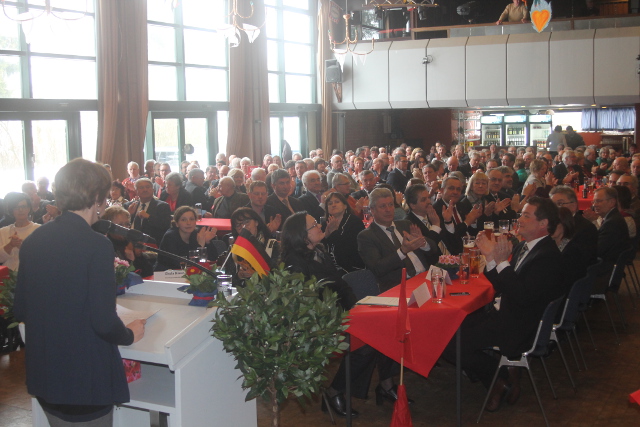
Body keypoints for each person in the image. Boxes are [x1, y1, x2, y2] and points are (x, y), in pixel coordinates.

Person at [14, 158, 146, 426]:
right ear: (97, 197)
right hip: (84, 376)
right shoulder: (96, 245)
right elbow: (103, 321)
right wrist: (130, 334)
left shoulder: (34, 239)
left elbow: (21, 309)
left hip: (46, 373)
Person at [446, 197, 564, 412]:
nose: (519, 219)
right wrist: (491, 258)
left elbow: (522, 296)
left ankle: (497, 380)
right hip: (508, 313)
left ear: (543, 223)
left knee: (450, 343)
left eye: (526, 215)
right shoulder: (526, 247)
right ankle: (504, 374)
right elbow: (502, 285)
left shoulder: (547, 256)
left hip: (519, 325)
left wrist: (500, 262)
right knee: (451, 327)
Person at [358, 188, 437, 292]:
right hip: (400, 286)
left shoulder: (405, 224)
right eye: (383, 206)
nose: (388, 209)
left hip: (426, 277)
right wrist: (402, 251)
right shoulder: (367, 236)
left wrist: (422, 242)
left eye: (390, 204)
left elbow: (434, 250)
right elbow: (378, 269)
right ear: (372, 210)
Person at [154, 206, 219, 271]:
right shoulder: (170, 236)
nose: (188, 223)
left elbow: (214, 259)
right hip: (166, 273)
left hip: (193, 273)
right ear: (177, 223)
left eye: (192, 219)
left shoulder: (198, 233)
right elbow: (179, 264)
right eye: (183, 220)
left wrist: (207, 242)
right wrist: (200, 245)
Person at [228, 208, 279, 287]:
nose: (243, 227)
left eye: (246, 222)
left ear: (256, 222)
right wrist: (239, 276)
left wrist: (255, 275)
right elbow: (227, 280)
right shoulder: (233, 249)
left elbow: (278, 279)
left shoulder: (271, 245)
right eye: (238, 225)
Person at [101, 206, 154, 278]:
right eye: (120, 225)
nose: (125, 228)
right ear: (109, 227)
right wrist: (130, 259)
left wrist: (138, 256)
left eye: (127, 224)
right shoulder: (105, 245)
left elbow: (149, 273)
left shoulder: (130, 242)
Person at [322, 192, 365, 272]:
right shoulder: (325, 223)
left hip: (352, 266)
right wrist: (326, 234)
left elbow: (349, 249)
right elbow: (322, 247)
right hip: (331, 267)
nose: (333, 205)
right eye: (330, 203)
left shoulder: (354, 222)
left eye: (337, 202)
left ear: (345, 206)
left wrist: (334, 232)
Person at [0, 192, 40, 271]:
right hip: (7, 274)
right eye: (16, 207)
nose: (20, 210)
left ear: (29, 209)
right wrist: (10, 245)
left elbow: (42, 256)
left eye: (23, 206)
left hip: (31, 272)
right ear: (11, 210)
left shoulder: (38, 230)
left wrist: (22, 247)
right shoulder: (3, 231)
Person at [126, 178, 172, 245]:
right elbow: (122, 226)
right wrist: (129, 215)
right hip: (129, 242)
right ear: (136, 191)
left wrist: (148, 217)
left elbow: (165, 226)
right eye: (141, 187)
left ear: (153, 190)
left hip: (151, 244)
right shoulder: (129, 206)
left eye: (148, 187)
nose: (145, 190)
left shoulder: (162, 206)